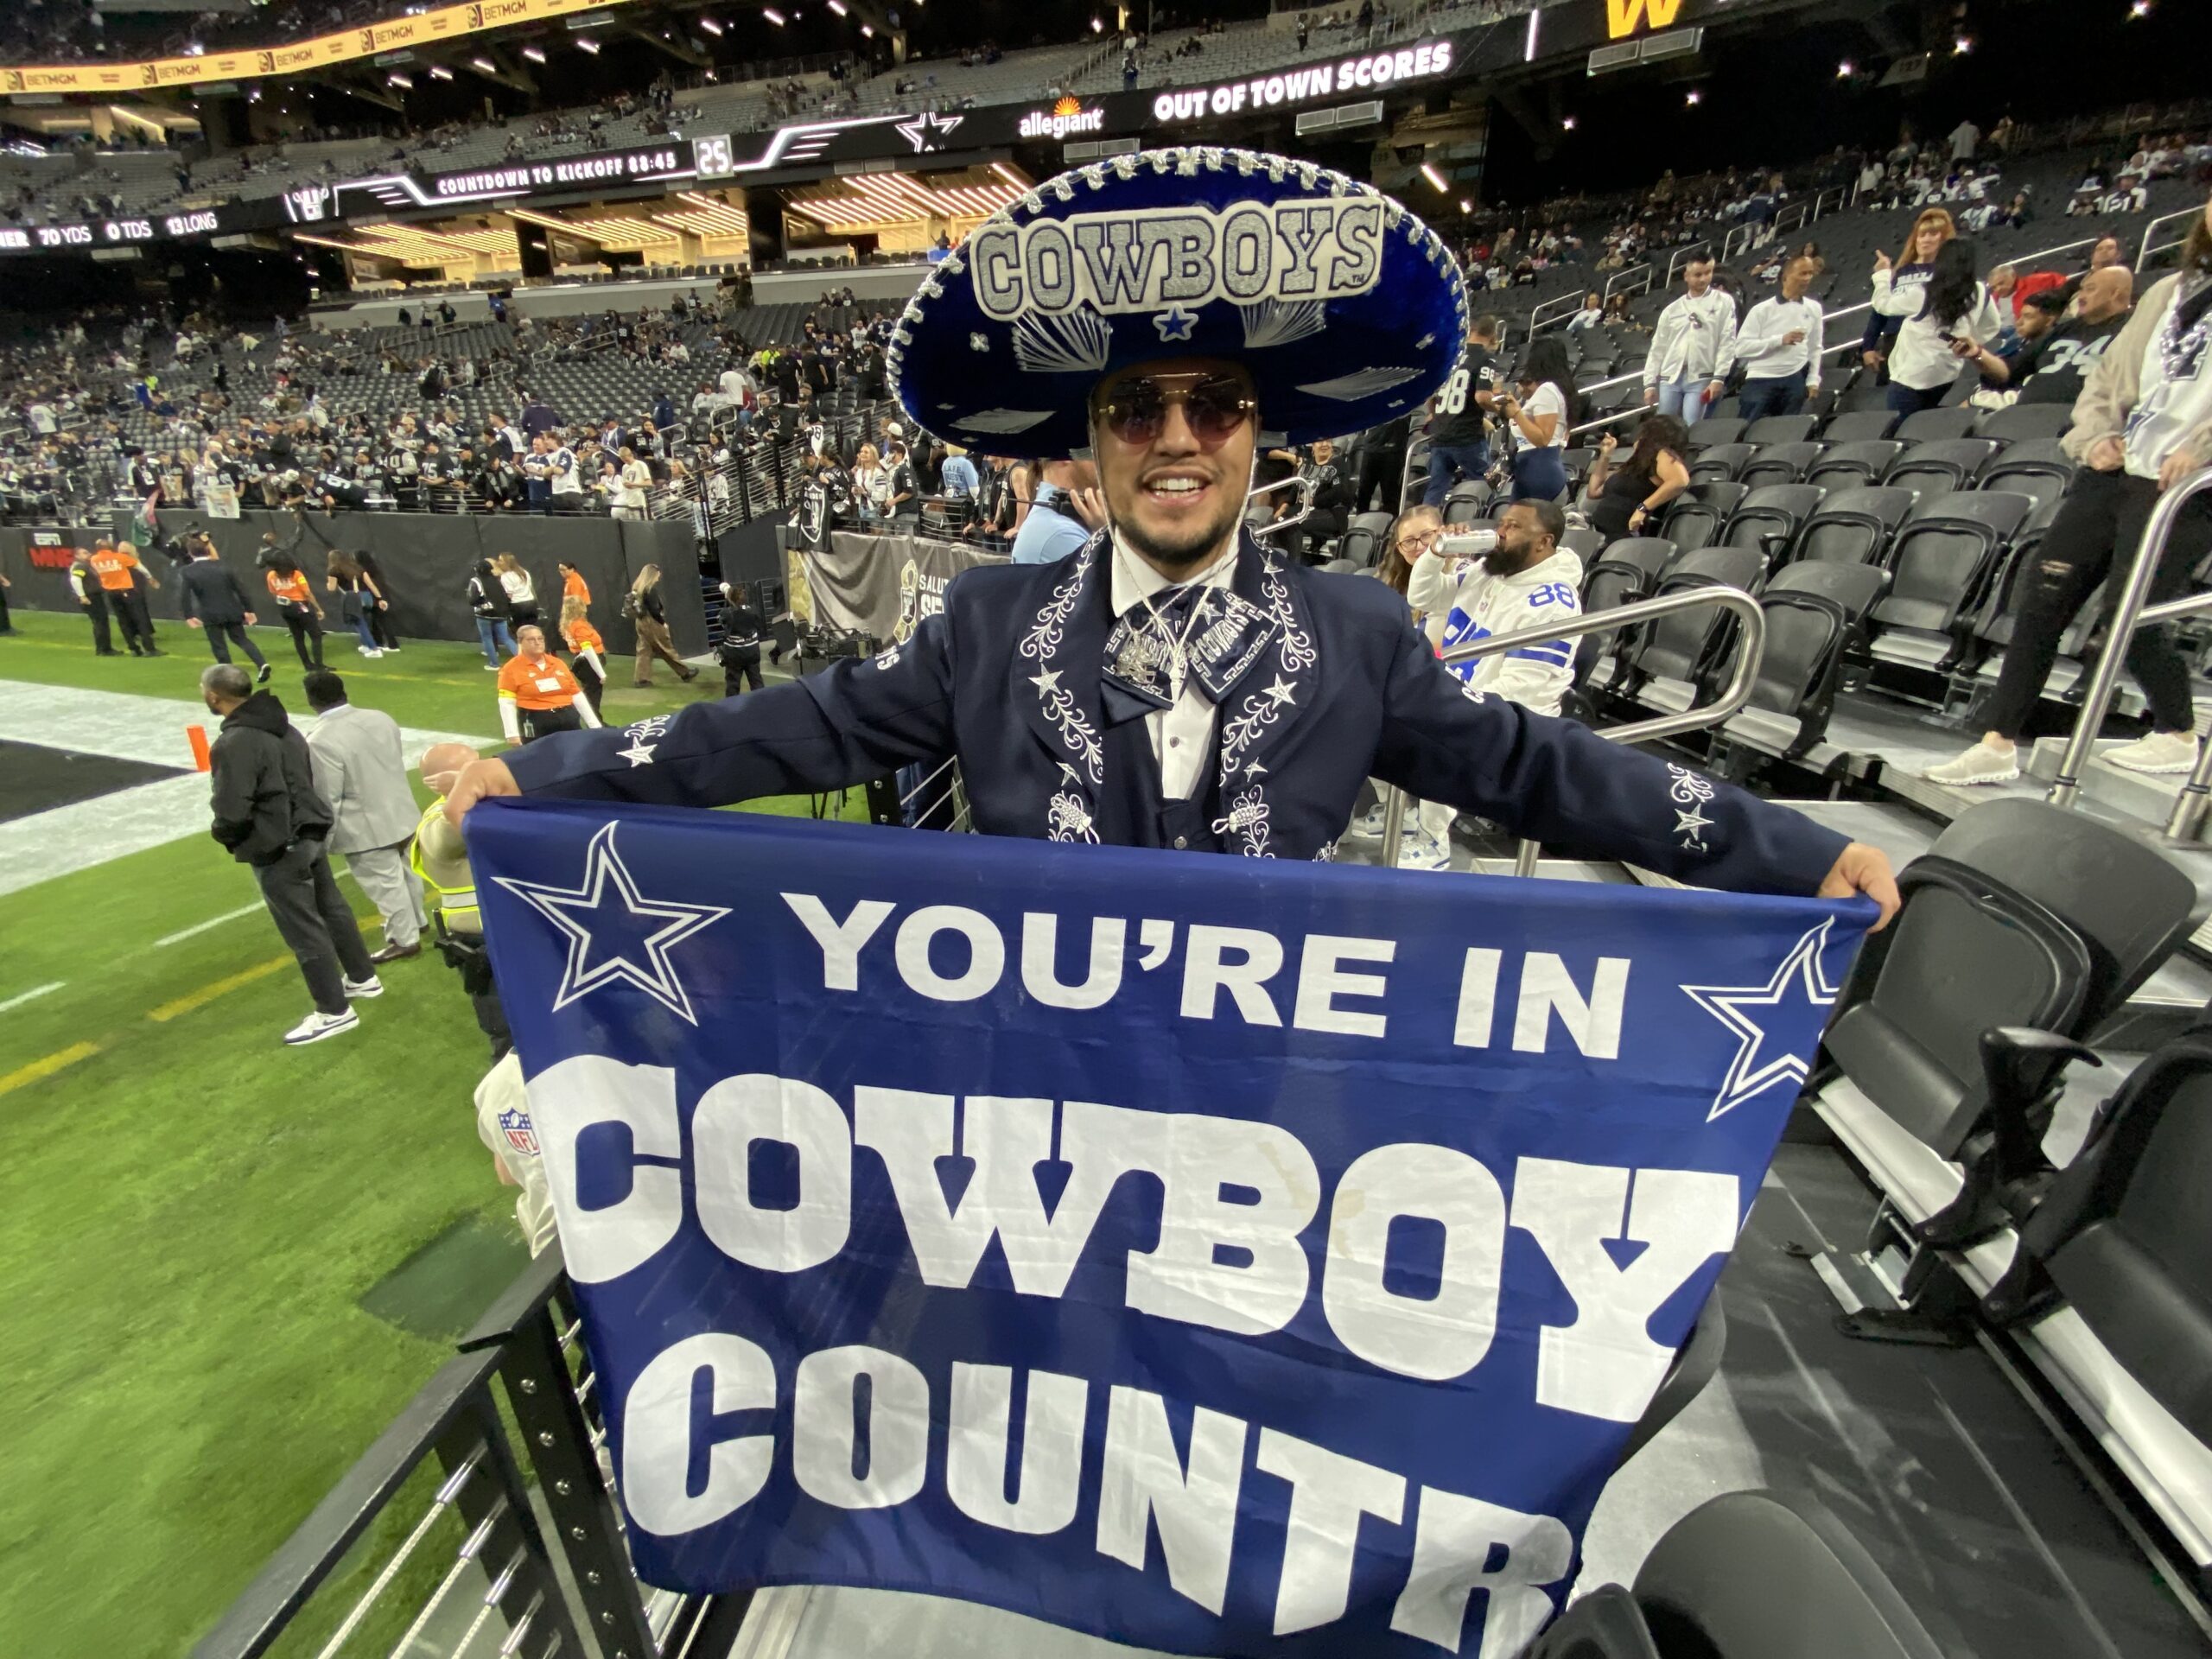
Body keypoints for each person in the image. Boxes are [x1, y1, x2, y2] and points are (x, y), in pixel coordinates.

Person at [448, 143, 1897, 925]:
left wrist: (1786, 850)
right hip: (1031, 1107)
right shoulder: (985, 630)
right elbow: (783, 732)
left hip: (1256, 1125)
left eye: (1216, 404)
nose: (1178, 436)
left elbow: (1540, 770)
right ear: (1087, 447)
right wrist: (542, 768)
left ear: (1264, 434)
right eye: (1137, 408)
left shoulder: (1355, 633)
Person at [1929, 190, 2212, 786]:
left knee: (2130, 615)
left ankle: (2178, 732)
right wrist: (2094, 437)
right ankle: (1997, 742)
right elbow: (2109, 377)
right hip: (2116, 466)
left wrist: (2203, 449)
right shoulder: (2169, 291)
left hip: (2186, 486)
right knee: (2042, 598)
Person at [1390, 501, 1584, 868]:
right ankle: (1402, 815)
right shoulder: (1487, 570)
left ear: (1543, 542)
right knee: (1377, 707)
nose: (1500, 533)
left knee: (1434, 730)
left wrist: (1449, 703)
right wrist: (1435, 554)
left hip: (1516, 717)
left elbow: (1522, 689)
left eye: (1513, 527)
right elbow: (1423, 597)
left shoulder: (1555, 604)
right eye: (1502, 523)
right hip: (1461, 692)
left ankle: (1433, 842)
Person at [200, 664, 380, 1046]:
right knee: (332, 908)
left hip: (278, 844)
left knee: (303, 928)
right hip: (310, 831)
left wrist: (225, 834)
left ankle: (334, 1012)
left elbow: (232, 806)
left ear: (214, 696)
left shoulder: (235, 742)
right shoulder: (285, 726)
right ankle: (363, 977)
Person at [302, 670, 427, 964]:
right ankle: (418, 920)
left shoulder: (320, 740)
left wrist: (322, 840)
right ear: (343, 691)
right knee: (408, 873)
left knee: (386, 885)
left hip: (364, 826)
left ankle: (404, 939)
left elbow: (328, 796)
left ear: (311, 700)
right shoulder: (380, 718)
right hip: (402, 810)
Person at [411, 742, 510, 1059]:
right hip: (483, 943)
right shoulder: (439, 823)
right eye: (470, 768)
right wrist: (463, 787)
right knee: (509, 1039)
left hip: (510, 933)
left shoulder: (490, 803)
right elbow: (459, 828)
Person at [1963, 270, 2133, 410]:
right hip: (2022, 411)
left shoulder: (2134, 328)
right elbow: (2007, 371)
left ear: (2115, 293)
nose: (2081, 296)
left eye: (2090, 289)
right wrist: (1977, 354)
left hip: (2081, 415)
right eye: (2081, 290)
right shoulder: (2063, 330)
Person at [1869, 237, 1999, 415]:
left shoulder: (1924, 291)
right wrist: (1967, 340)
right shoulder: (1980, 290)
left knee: (1900, 426)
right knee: (1929, 424)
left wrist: (1882, 275)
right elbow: (1992, 326)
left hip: (1911, 377)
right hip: (1948, 373)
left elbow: (1883, 305)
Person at [1859, 207, 1954, 378]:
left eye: (1933, 234)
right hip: (1893, 342)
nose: (1926, 239)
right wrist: (1868, 347)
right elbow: (1880, 312)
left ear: (1944, 239)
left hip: (1928, 342)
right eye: (1922, 235)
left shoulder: (1948, 272)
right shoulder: (1900, 272)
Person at [1643, 256, 1738, 425]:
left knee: (1692, 426)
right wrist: (1649, 383)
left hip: (1701, 376)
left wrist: (1719, 377)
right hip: (1670, 376)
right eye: (1698, 274)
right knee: (1662, 426)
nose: (1703, 279)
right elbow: (1658, 347)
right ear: (1686, 276)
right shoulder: (1672, 309)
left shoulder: (1723, 301)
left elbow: (1727, 341)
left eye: (1708, 273)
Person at [1732, 257, 1827, 419]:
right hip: (1760, 379)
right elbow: (1741, 349)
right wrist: (1780, 340)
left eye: (1810, 273)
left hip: (1794, 378)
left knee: (1786, 428)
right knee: (1748, 426)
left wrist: (1813, 379)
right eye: (1802, 273)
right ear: (1785, 277)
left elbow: (1815, 348)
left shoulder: (1814, 308)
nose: (1807, 278)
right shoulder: (1761, 310)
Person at [1423, 315, 1503, 505]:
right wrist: (1502, 410)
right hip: (1467, 436)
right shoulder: (1485, 358)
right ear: (1493, 336)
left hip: (1440, 435)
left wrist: (1439, 418)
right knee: (1489, 484)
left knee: (1436, 489)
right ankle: (1488, 518)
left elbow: (1430, 398)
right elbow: (1482, 397)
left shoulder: (1450, 356)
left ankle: (1424, 521)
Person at [1586, 416, 1692, 543]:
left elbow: (1680, 481)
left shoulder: (1663, 454)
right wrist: (1605, 455)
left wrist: (1642, 509)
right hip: (1595, 531)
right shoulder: (1633, 466)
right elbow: (1593, 492)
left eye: (1643, 434)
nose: (1637, 438)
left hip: (1620, 537)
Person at [498, 625, 604, 744]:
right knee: (539, 754)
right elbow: (506, 702)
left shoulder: (557, 663)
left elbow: (576, 695)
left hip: (567, 718)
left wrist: (594, 725)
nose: (537, 642)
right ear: (521, 643)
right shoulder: (511, 669)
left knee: (573, 752)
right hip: (536, 720)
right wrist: (512, 734)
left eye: (540, 639)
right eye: (531, 639)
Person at [1497, 338, 1574, 502]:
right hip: (1533, 468)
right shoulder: (1554, 390)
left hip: (1539, 467)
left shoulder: (1548, 390)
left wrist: (1517, 414)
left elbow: (1543, 439)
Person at [1008, 456, 1100, 564]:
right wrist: (1107, 533)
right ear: (1065, 457)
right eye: (1095, 450)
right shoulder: (1063, 534)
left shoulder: (1053, 521)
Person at [626, 564, 696, 685]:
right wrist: (663, 623)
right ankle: (685, 673)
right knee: (666, 647)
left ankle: (641, 679)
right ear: (653, 575)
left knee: (644, 650)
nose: (659, 576)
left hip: (640, 622)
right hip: (651, 622)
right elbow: (654, 610)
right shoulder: (650, 590)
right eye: (658, 573)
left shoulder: (637, 589)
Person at [91, 537, 161, 657]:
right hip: (127, 591)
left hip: (111, 593)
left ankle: (133, 649)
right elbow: (140, 567)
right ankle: (150, 649)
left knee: (123, 621)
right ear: (110, 546)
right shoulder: (120, 557)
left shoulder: (94, 559)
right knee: (140, 619)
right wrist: (150, 578)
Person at [260, 548, 325, 670]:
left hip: (284, 608)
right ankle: (319, 665)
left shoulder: (271, 575)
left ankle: (307, 665)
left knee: (298, 637)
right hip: (300, 606)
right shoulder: (296, 575)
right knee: (316, 634)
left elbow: (273, 593)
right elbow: (307, 593)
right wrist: (319, 609)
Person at [324, 551, 387, 658]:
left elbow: (332, 588)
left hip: (353, 598)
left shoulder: (334, 570)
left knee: (360, 624)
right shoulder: (357, 567)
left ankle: (374, 649)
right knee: (364, 622)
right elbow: (370, 584)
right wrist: (380, 599)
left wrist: (328, 584)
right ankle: (366, 645)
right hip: (367, 597)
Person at [560, 594, 608, 715]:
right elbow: (588, 650)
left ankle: (594, 720)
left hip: (581, 661)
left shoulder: (568, 624)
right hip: (589, 662)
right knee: (593, 695)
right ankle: (595, 722)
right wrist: (601, 673)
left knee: (589, 692)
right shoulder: (579, 626)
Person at [718, 581, 766, 697]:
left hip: (735, 655)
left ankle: (732, 705)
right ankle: (762, 702)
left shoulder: (727, 613)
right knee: (756, 681)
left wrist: (728, 600)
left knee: (733, 683)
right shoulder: (753, 610)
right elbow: (759, 625)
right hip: (752, 652)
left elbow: (722, 621)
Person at [468, 557, 516, 670]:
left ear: (478, 570)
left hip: (484, 614)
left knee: (487, 638)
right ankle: (524, 660)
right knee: (506, 638)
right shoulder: (497, 580)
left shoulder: (476, 580)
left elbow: (472, 599)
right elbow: (505, 596)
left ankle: (494, 664)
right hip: (501, 613)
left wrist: (481, 603)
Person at [68, 549, 118, 656]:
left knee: (100, 622)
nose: (89, 554)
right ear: (77, 556)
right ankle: (104, 649)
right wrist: (82, 596)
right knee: (100, 622)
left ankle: (103, 648)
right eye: (84, 553)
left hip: (93, 597)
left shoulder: (85, 565)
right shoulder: (80, 566)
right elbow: (75, 580)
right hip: (91, 597)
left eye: (88, 552)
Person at [494, 553, 540, 631]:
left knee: (521, 631)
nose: (498, 562)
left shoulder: (506, 576)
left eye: (501, 560)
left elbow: (509, 595)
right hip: (531, 604)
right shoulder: (524, 572)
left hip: (518, 606)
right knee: (533, 629)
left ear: (507, 563)